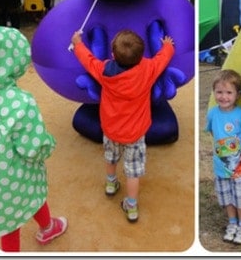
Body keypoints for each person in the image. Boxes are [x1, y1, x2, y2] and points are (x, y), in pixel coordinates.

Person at [71, 29, 175, 222]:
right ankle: (131, 206)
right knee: (133, 171)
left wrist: (77, 43)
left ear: (112, 54)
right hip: (135, 133)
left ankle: (111, 184)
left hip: (111, 129)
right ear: (141, 55)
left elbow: (88, 60)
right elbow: (162, 59)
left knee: (111, 158)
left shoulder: (104, 71)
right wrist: (168, 45)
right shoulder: (148, 69)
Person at [0, 26, 68, 251]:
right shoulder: (20, 103)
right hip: (10, 179)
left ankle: (48, 226)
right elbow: (33, 146)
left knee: (21, 202)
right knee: (13, 219)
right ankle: (45, 229)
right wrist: (47, 147)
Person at [206, 69, 241, 245]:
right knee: (226, 197)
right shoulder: (212, 113)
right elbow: (212, 131)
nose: (223, 97)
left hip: (239, 170)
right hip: (221, 168)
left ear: (237, 94)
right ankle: (232, 223)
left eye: (228, 92)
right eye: (219, 92)